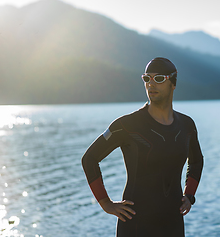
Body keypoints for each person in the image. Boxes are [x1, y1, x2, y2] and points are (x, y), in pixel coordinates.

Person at [82, 57, 204, 237]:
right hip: (135, 224)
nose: (151, 84)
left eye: (159, 79)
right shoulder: (127, 125)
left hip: (173, 222)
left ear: (173, 83)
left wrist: (190, 196)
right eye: (147, 78)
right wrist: (105, 203)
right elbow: (89, 159)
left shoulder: (187, 125)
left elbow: (196, 161)